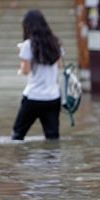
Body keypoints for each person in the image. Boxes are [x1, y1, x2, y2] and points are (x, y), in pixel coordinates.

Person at [11, 9, 63, 140]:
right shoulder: (55, 42)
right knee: (52, 137)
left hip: (33, 97)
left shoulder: (28, 45)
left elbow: (26, 71)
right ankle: (53, 161)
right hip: (53, 97)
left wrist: (22, 57)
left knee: (18, 135)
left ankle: (21, 160)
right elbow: (59, 65)